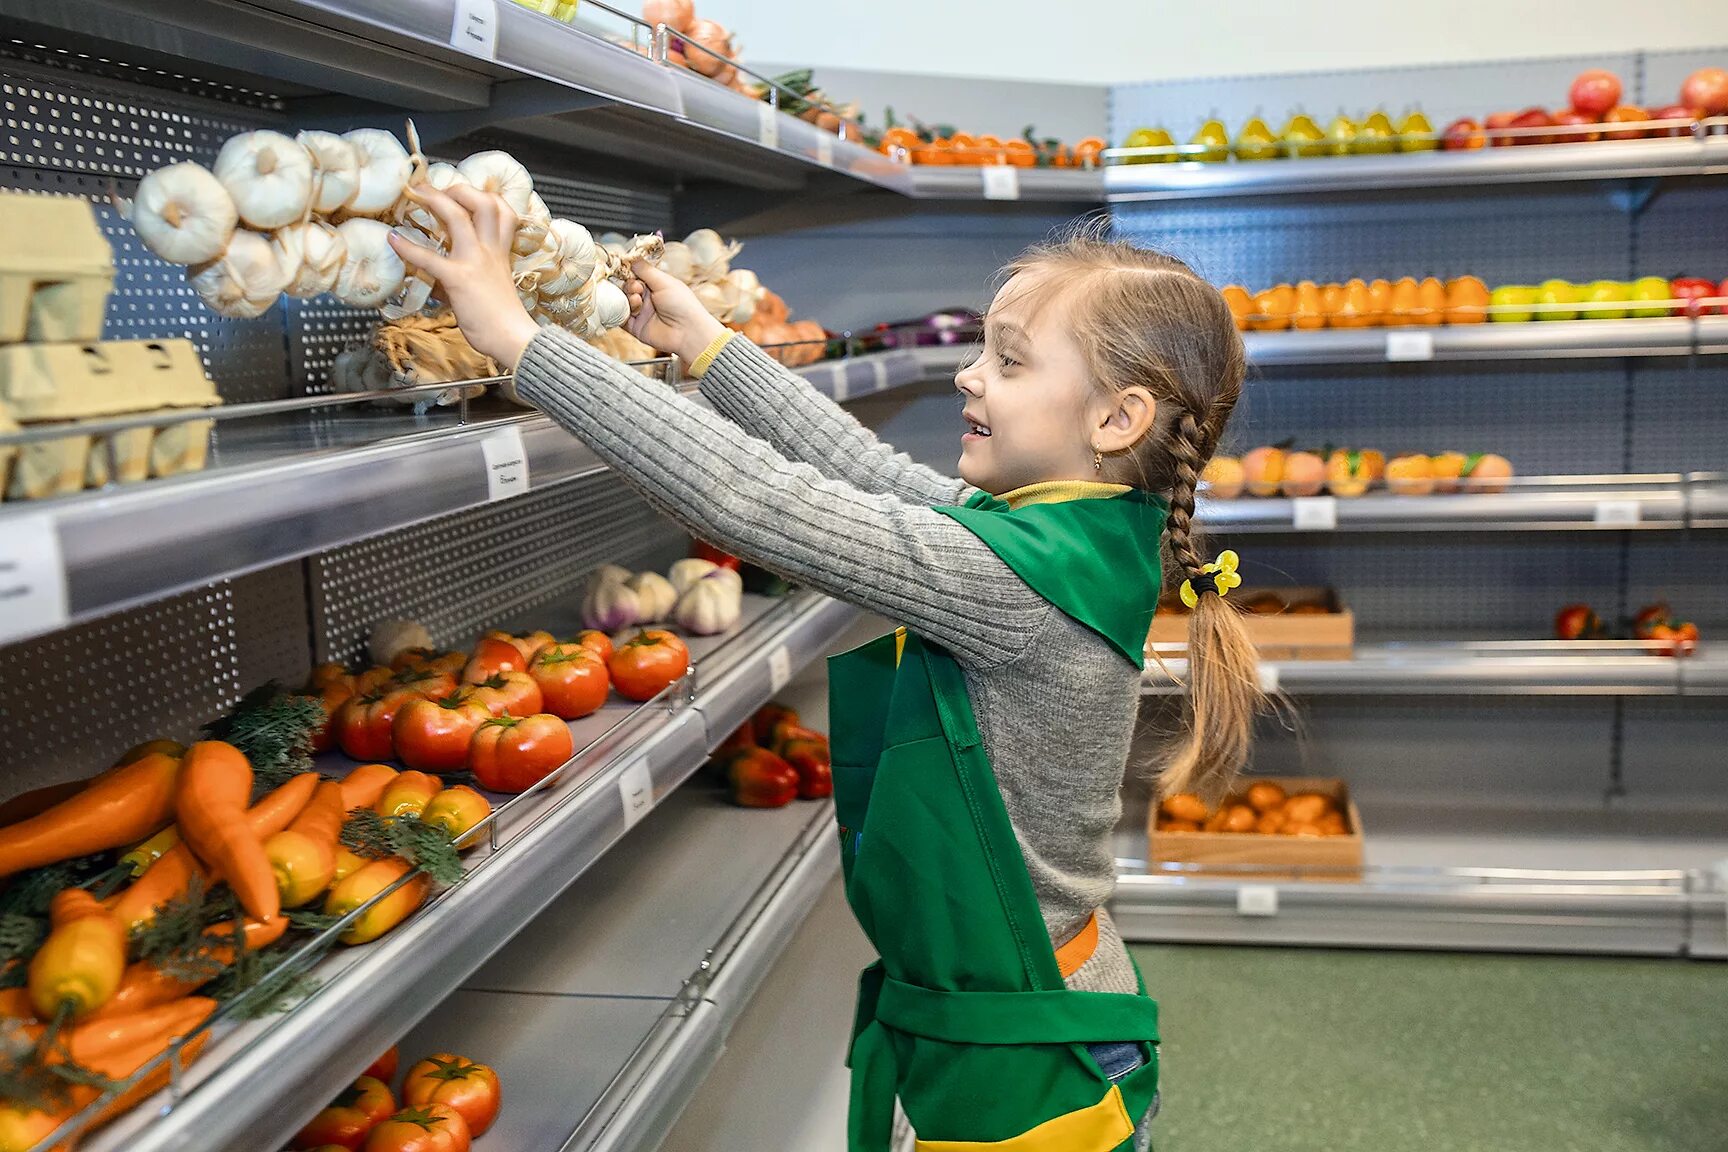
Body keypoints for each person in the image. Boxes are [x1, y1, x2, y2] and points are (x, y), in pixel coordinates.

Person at [391, 189, 1260, 1152]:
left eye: (1009, 361)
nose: (971, 378)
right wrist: (710, 346)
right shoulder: (1075, 536)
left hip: (1023, 1049)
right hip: (1020, 1002)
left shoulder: (1020, 580)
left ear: (1115, 419)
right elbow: (865, 471)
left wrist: (518, 340)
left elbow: (755, 501)